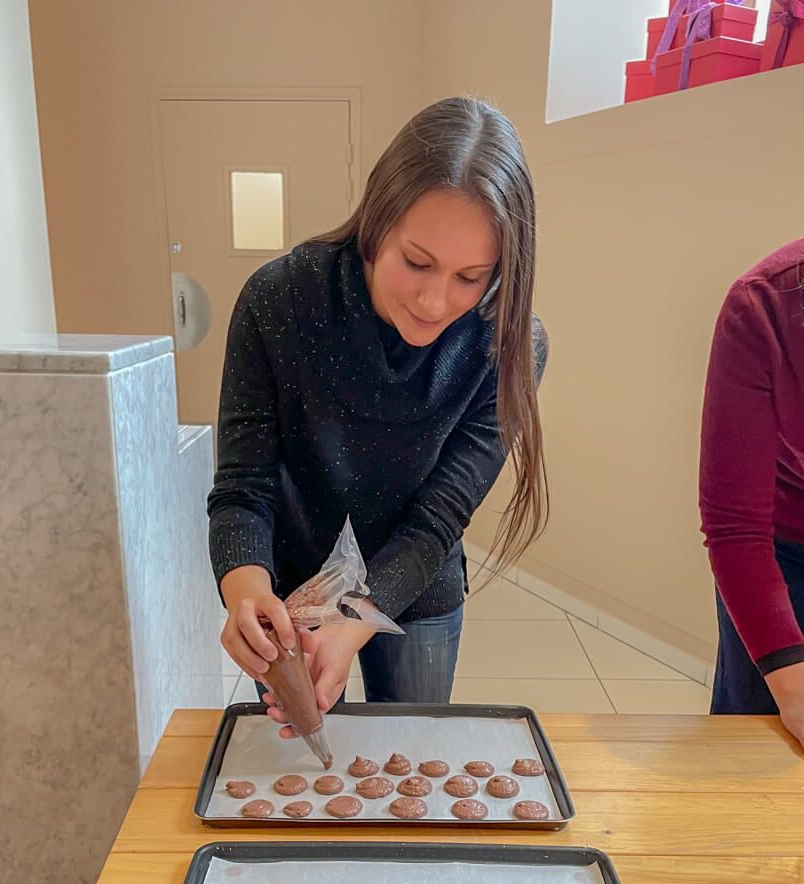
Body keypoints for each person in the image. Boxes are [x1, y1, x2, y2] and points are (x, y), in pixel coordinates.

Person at [207, 96, 549, 735]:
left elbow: (437, 519)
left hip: (417, 583)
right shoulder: (280, 299)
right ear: (374, 222)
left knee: (410, 760)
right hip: (295, 596)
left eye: (471, 276)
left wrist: (356, 616)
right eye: (416, 261)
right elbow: (241, 488)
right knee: (299, 783)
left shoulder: (507, 343)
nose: (434, 299)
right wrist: (246, 591)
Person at [700, 232, 804, 762]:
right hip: (785, 559)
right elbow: (735, 528)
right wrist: (793, 684)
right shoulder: (764, 308)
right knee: (761, 758)